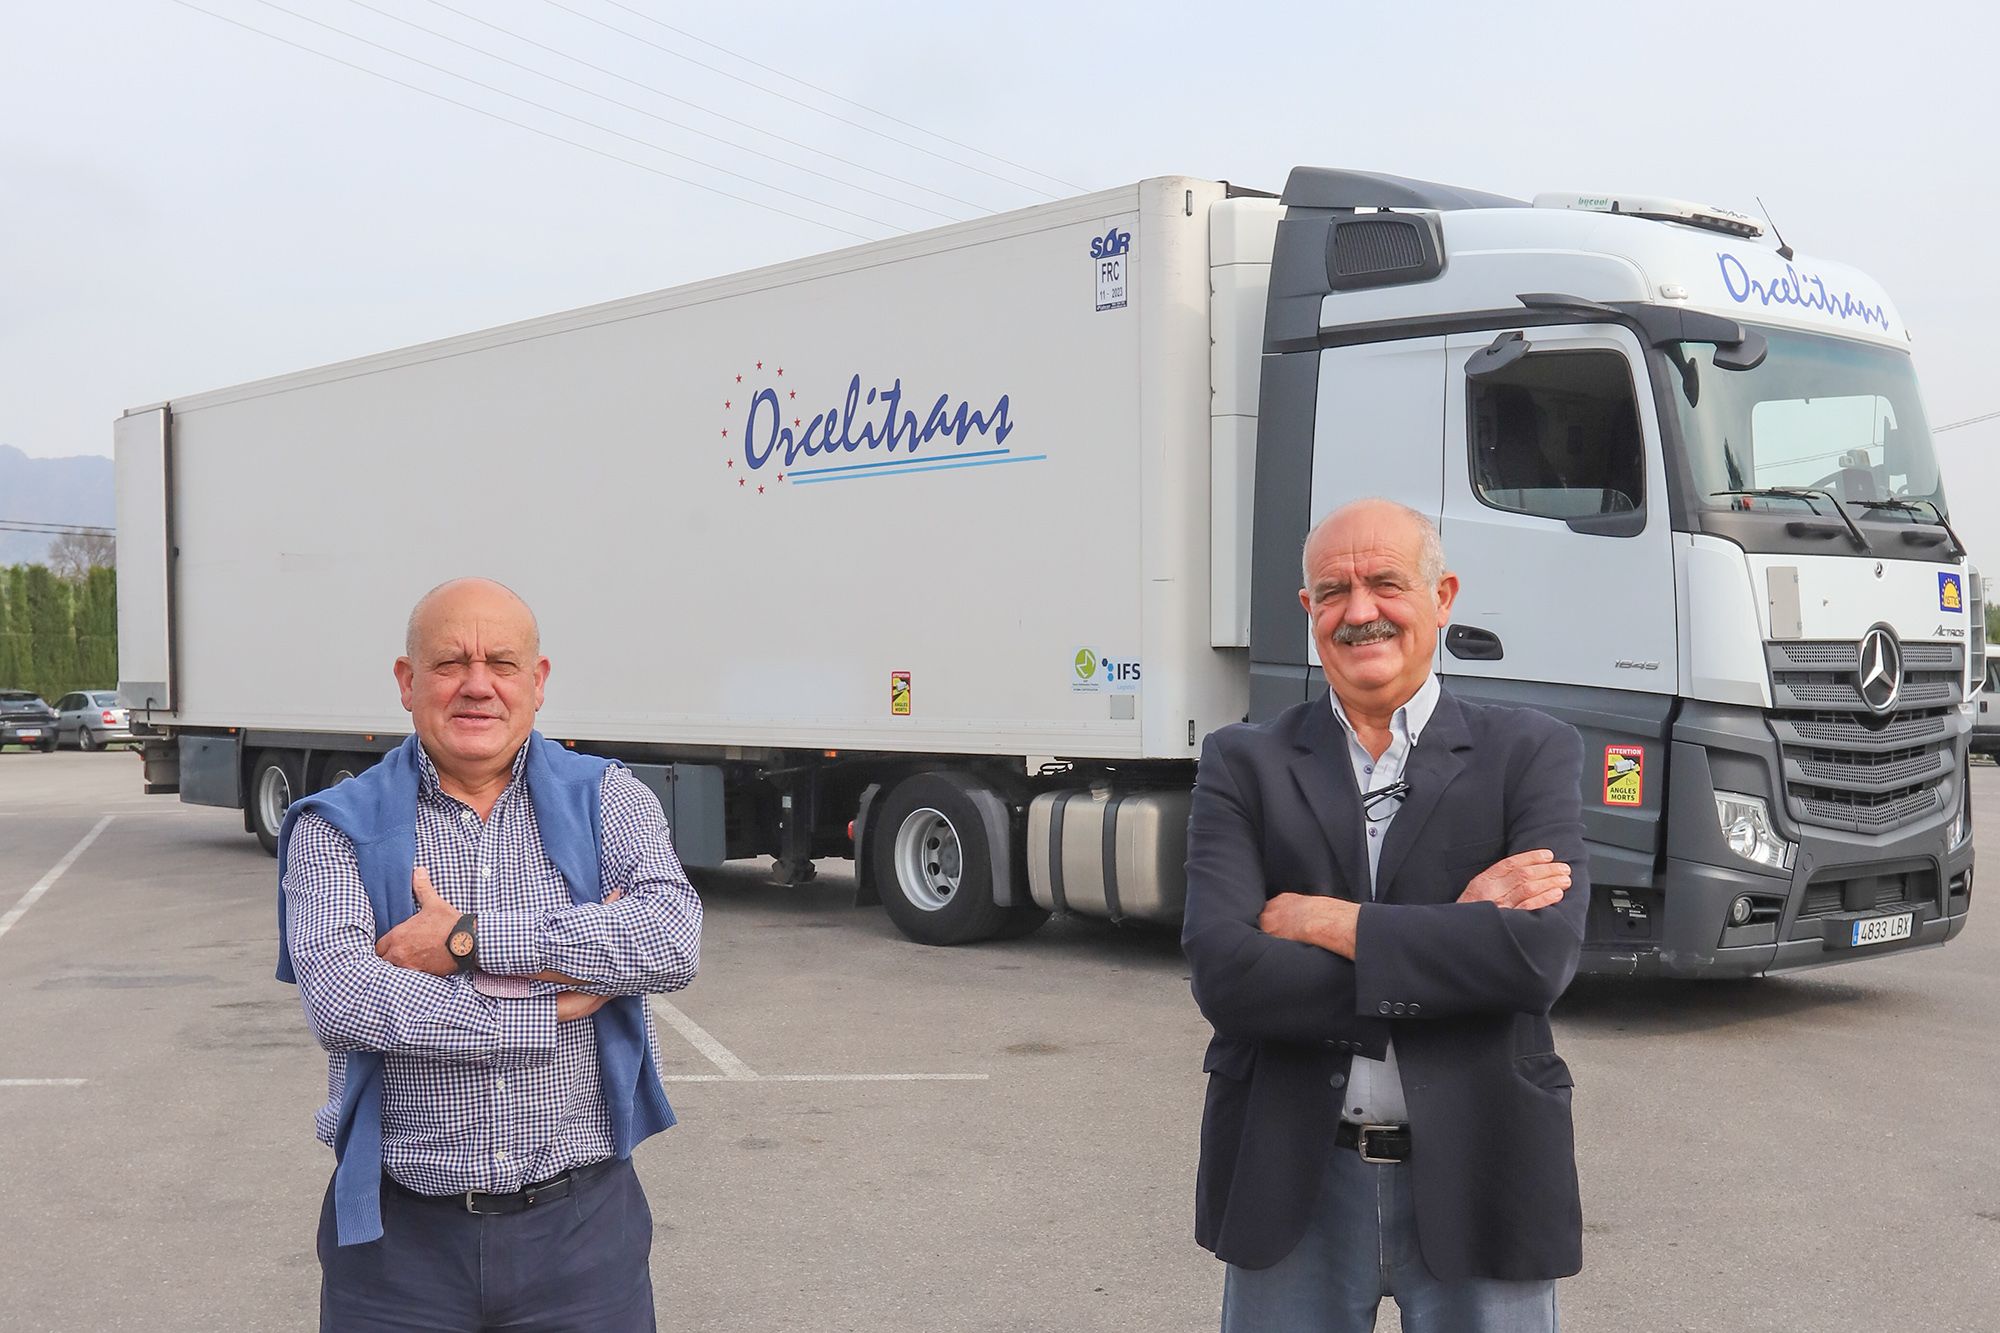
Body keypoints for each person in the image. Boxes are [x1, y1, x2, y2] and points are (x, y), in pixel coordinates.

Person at [1182, 498, 1589, 1332]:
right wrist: (1458, 929)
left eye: (1386, 584)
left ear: (1442, 595)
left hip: (1486, 1173)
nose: (1359, 611)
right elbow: (1227, 974)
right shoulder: (1242, 763)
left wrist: (1331, 922)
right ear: (1308, 613)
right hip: (1294, 1178)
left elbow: (1537, 959)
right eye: (1333, 590)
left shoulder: (1531, 753)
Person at [277, 577, 703, 1332]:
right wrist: (552, 1001)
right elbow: (344, 998)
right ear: (408, 683)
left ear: (537, 683)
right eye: (450, 662)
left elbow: (670, 936)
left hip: (583, 1239)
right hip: (396, 1251)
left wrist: (464, 941)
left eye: (502, 662)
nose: (478, 685)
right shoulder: (333, 826)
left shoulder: (611, 798)